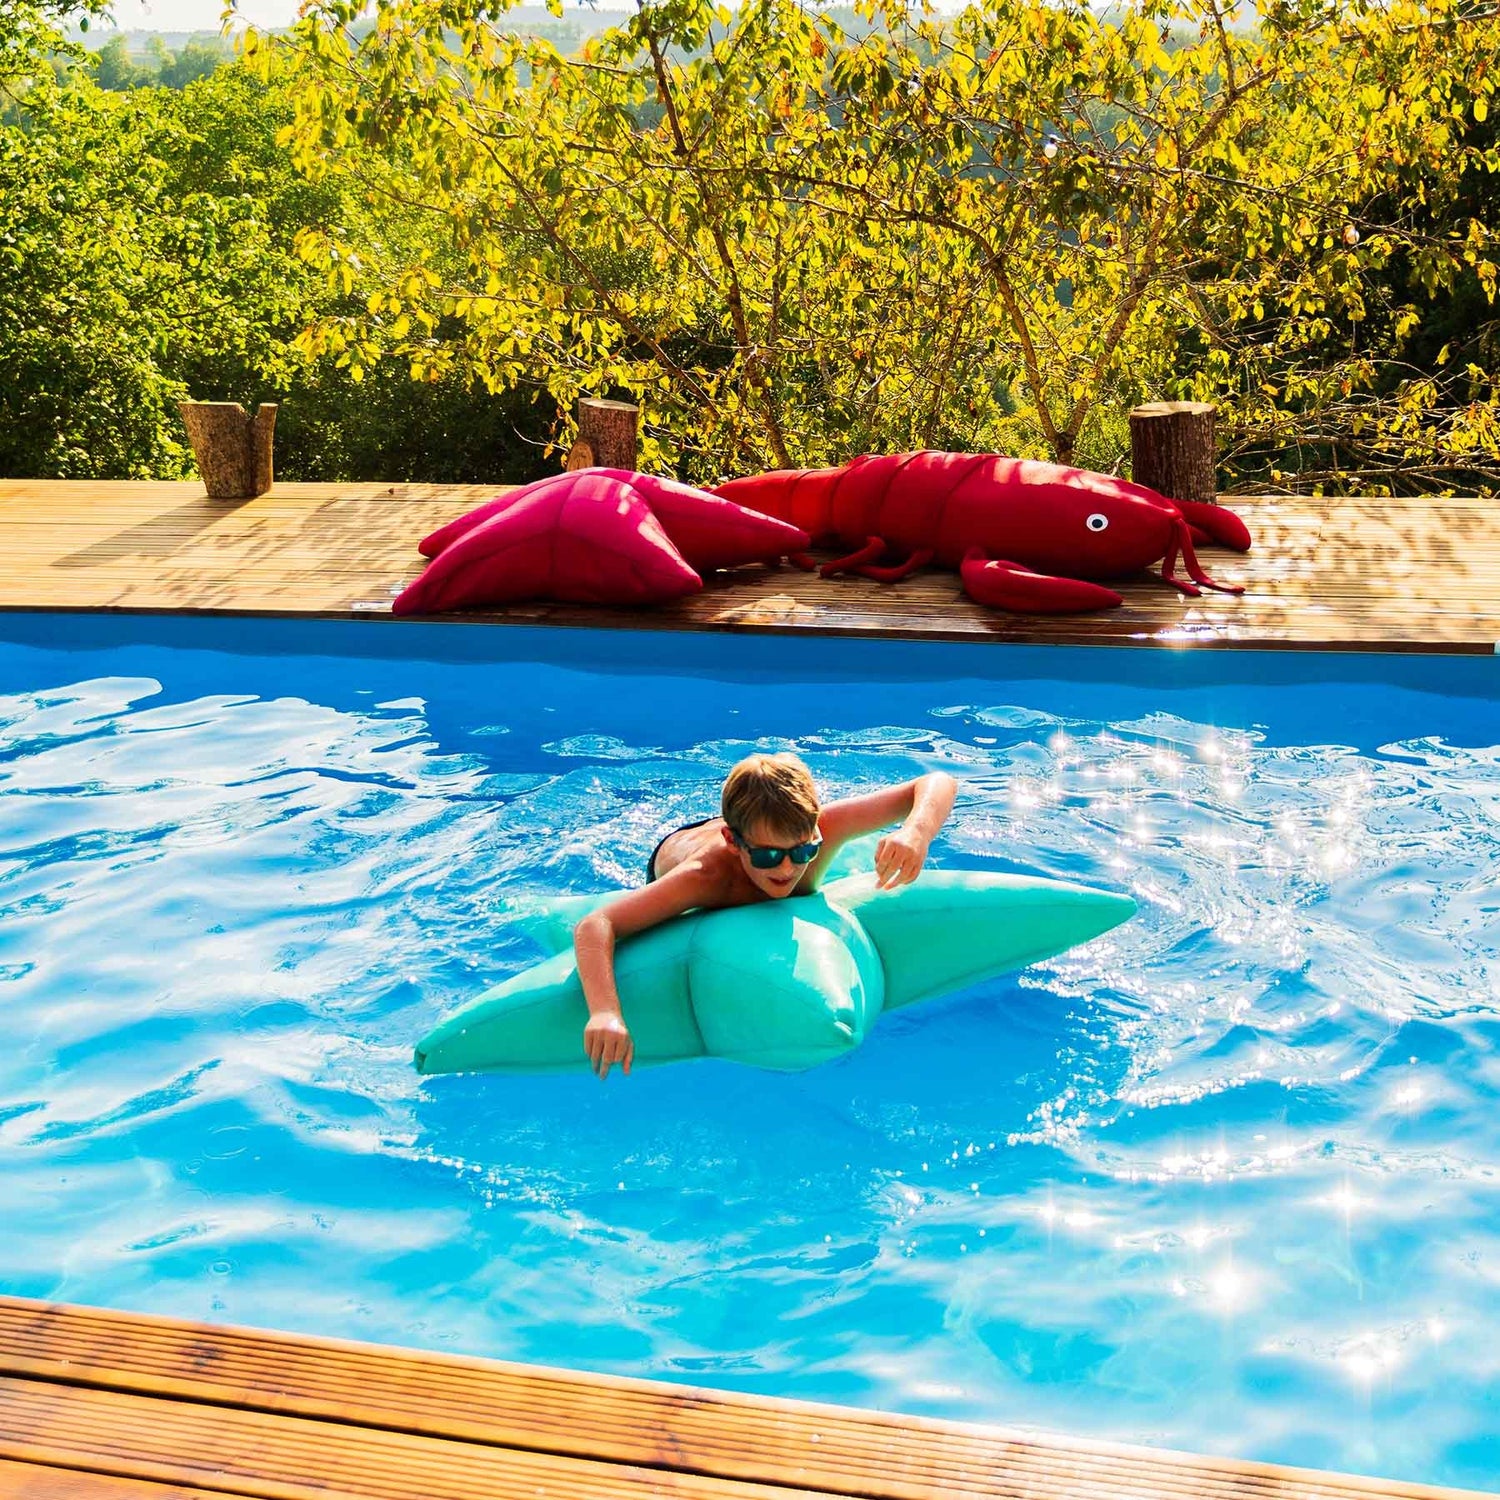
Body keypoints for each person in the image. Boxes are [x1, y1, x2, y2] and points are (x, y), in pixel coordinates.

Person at [573, 752, 958, 1079]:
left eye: (803, 852)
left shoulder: (821, 829)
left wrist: (916, 833)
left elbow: (937, 782)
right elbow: (596, 925)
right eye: (769, 857)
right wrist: (605, 1012)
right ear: (734, 843)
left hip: (750, 826)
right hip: (682, 848)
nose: (789, 869)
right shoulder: (708, 878)